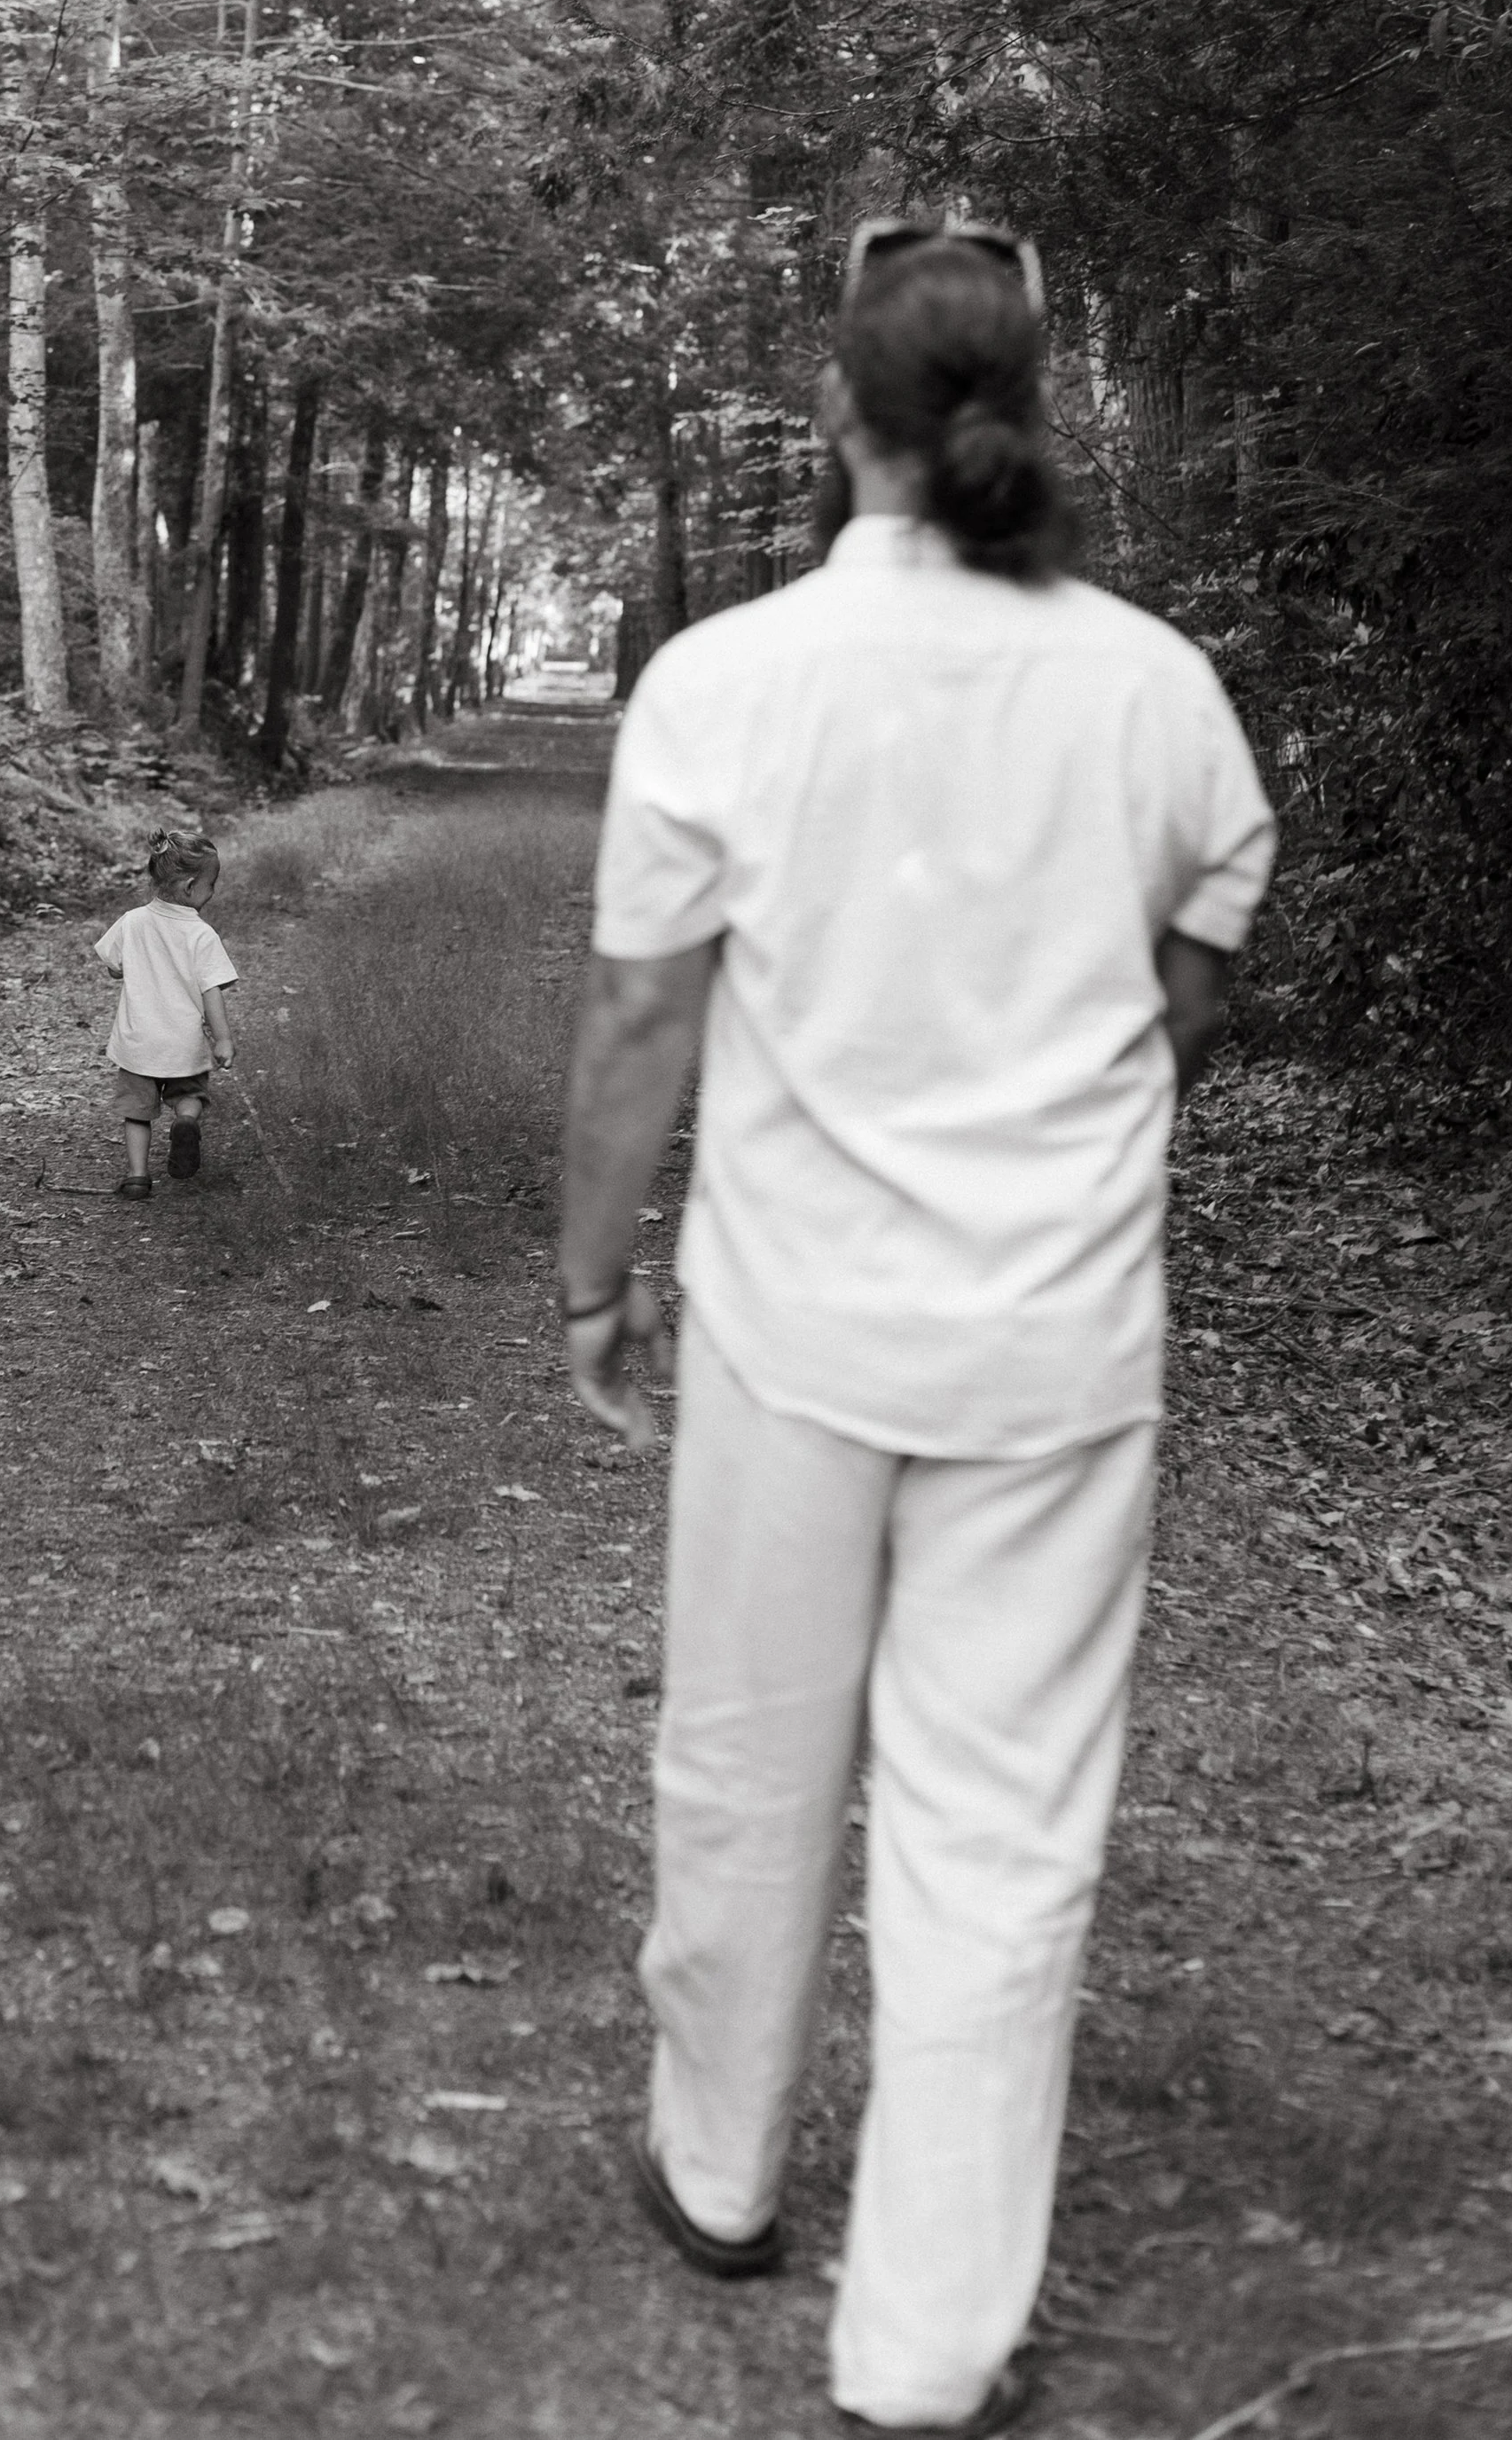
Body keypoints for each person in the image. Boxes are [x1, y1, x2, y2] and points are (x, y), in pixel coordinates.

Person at [558, 220, 1276, 2437]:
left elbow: (641, 1007)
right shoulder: (1149, 680)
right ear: (1028, 407)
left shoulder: (728, 677)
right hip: (1059, 1336)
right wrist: (1064, 1067)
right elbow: (1205, 946)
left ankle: (718, 2165)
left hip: (791, 1323)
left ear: (836, 414)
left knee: (748, 1750)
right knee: (1004, 1819)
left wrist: (596, 1270)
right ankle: (932, 2335)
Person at [94, 832, 238, 1200]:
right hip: (183, 1042)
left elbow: (113, 967)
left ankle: (138, 1177)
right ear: (190, 886)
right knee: (189, 1094)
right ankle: (186, 1122)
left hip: (138, 1041)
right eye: (212, 884)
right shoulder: (201, 934)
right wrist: (222, 1039)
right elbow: (212, 992)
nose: (214, 892)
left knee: (137, 1112)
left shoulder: (132, 921)